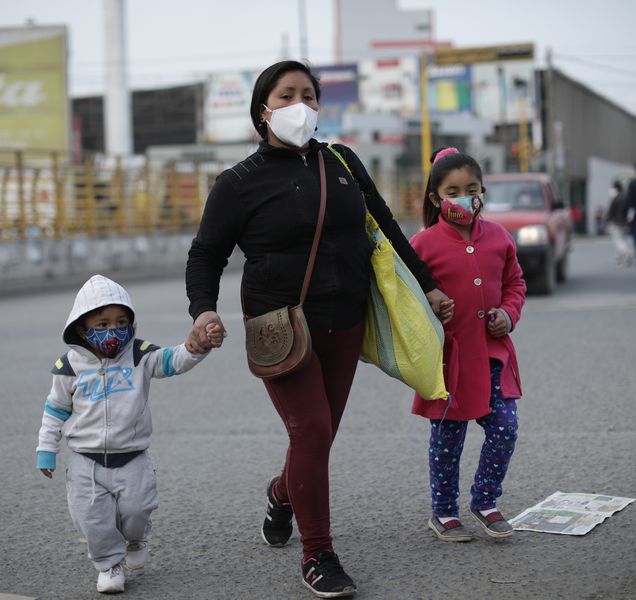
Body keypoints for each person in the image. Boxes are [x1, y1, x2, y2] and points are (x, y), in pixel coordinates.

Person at [184, 60, 453, 599]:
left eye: (309, 94)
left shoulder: (342, 162)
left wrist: (427, 286)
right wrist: (203, 310)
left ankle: (283, 494)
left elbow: (386, 227)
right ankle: (319, 554)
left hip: (345, 318)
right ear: (263, 109)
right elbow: (205, 253)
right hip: (278, 326)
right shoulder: (237, 183)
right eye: (286, 95)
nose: (299, 104)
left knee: (320, 433)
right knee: (310, 430)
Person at [36, 274, 222, 594]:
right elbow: (55, 410)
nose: (113, 330)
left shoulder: (139, 354)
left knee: (136, 510)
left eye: (121, 321)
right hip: (85, 459)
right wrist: (46, 448)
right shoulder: (69, 366)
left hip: (132, 456)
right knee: (92, 518)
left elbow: (172, 361)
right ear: (82, 327)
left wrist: (197, 346)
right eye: (103, 323)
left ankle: (136, 537)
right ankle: (109, 564)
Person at [408, 147, 526, 543]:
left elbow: (515, 284)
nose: (464, 197)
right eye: (453, 190)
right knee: (447, 439)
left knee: (505, 428)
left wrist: (507, 314)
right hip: (448, 364)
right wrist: (430, 309)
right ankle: (442, 512)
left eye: (471, 189)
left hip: (493, 355)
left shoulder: (500, 237)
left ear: (482, 191)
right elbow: (405, 299)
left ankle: (485, 499)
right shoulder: (421, 245)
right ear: (435, 198)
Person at [605, 181, 633, 267]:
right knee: (623, 240)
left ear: (615, 189)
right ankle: (621, 259)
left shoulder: (615, 198)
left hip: (615, 222)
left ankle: (627, 253)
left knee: (618, 240)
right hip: (625, 222)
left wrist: (607, 222)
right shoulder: (626, 197)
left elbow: (611, 212)